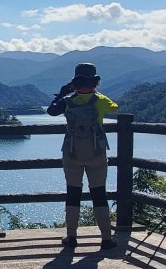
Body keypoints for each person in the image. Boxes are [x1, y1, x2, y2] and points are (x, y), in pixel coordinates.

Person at [47, 62, 119, 249]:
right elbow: (115, 107)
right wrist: (96, 94)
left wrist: (63, 93)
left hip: (72, 152)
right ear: (95, 81)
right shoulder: (100, 101)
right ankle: (106, 239)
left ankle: (71, 237)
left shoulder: (68, 101)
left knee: (73, 193)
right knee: (99, 193)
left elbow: (51, 111)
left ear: (75, 82)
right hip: (97, 153)